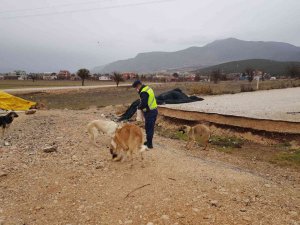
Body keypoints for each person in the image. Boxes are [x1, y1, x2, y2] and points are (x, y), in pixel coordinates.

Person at [132, 80, 158, 149]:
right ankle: (148, 141)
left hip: (150, 112)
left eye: (135, 88)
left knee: (149, 128)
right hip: (153, 110)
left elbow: (144, 103)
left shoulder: (143, 92)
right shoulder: (148, 88)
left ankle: (150, 145)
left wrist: (139, 107)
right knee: (149, 127)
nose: (136, 90)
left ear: (138, 86)